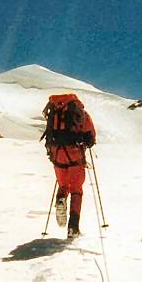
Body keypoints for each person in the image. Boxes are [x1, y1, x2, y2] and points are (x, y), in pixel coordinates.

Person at [41, 94, 96, 238]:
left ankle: (61, 198)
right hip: (74, 154)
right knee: (77, 189)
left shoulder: (53, 111)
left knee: (63, 184)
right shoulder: (80, 113)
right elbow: (90, 137)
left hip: (56, 153)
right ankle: (73, 227)